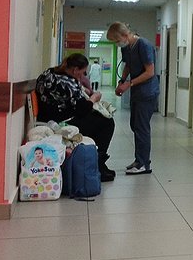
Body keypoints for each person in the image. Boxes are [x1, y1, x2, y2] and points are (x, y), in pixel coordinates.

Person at [35, 53, 116, 181]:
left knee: (97, 119)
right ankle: (97, 163)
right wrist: (93, 98)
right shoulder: (68, 82)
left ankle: (96, 161)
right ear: (75, 70)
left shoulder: (48, 74)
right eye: (82, 73)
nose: (83, 76)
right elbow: (82, 109)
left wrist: (82, 89)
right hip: (61, 123)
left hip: (46, 117)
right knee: (107, 122)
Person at [107, 22, 157, 175]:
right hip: (137, 92)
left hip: (147, 92)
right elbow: (128, 65)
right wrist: (122, 81)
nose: (117, 44)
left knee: (141, 128)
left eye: (117, 40)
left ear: (125, 35)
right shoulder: (126, 47)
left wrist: (129, 83)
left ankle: (144, 164)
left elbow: (150, 72)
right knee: (135, 126)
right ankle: (139, 160)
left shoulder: (143, 45)